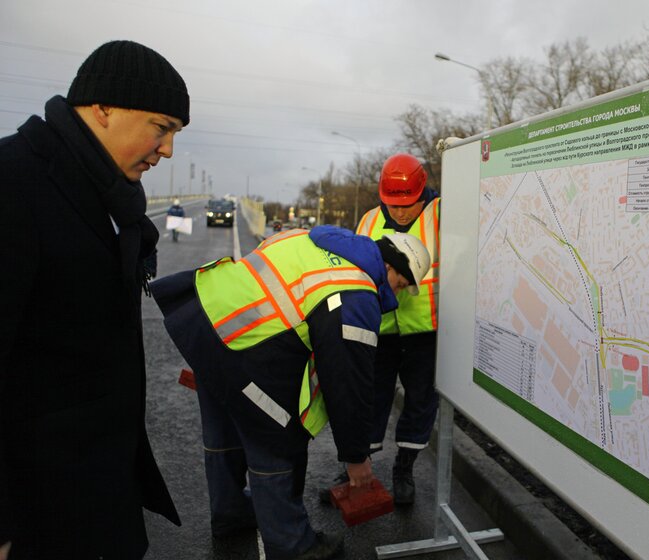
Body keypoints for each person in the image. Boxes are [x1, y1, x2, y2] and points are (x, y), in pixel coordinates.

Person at [0, 40, 189, 559]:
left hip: (104, 493)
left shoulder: (116, 200)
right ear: (102, 108)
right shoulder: (13, 182)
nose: (168, 149)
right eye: (161, 126)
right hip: (37, 511)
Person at [149, 225, 430, 560]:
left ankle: (232, 512)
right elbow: (346, 381)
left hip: (208, 323)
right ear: (389, 268)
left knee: (225, 430)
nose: (396, 296)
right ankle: (293, 546)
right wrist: (356, 457)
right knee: (278, 435)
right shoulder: (355, 291)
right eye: (400, 285)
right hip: (245, 348)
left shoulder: (308, 238)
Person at [352, 152, 441, 505]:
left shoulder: (443, 214)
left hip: (427, 332)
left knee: (421, 402)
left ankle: (404, 468)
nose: (401, 212)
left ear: (423, 192)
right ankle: (358, 468)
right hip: (381, 330)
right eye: (393, 205)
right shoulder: (370, 220)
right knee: (369, 400)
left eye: (409, 204)